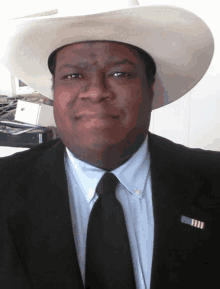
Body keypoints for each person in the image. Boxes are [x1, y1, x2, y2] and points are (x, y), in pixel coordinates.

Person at [0, 1, 220, 288]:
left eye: (120, 73)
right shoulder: (4, 189)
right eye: (73, 75)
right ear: (54, 92)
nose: (95, 92)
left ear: (150, 89)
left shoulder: (213, 179)